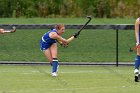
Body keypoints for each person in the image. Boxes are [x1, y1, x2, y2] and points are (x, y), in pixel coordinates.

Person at [134, 17, 140, 82]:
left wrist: (138, 42)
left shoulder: (138, 20)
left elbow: (136, 32)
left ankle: (136, 70)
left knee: (138, 54)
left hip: (139, 40)